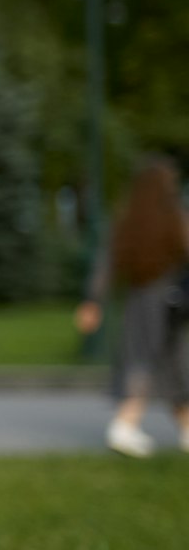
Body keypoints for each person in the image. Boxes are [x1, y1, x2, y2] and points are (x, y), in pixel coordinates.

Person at [75, 156, 189, 456]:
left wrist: (92, 301)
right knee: (166, 361)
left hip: (140, 299)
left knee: (148, 359)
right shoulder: (176, 218)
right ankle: (125, 425)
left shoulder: (128, 220)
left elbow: (107, 264)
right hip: (170, 299)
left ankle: (178, 428)